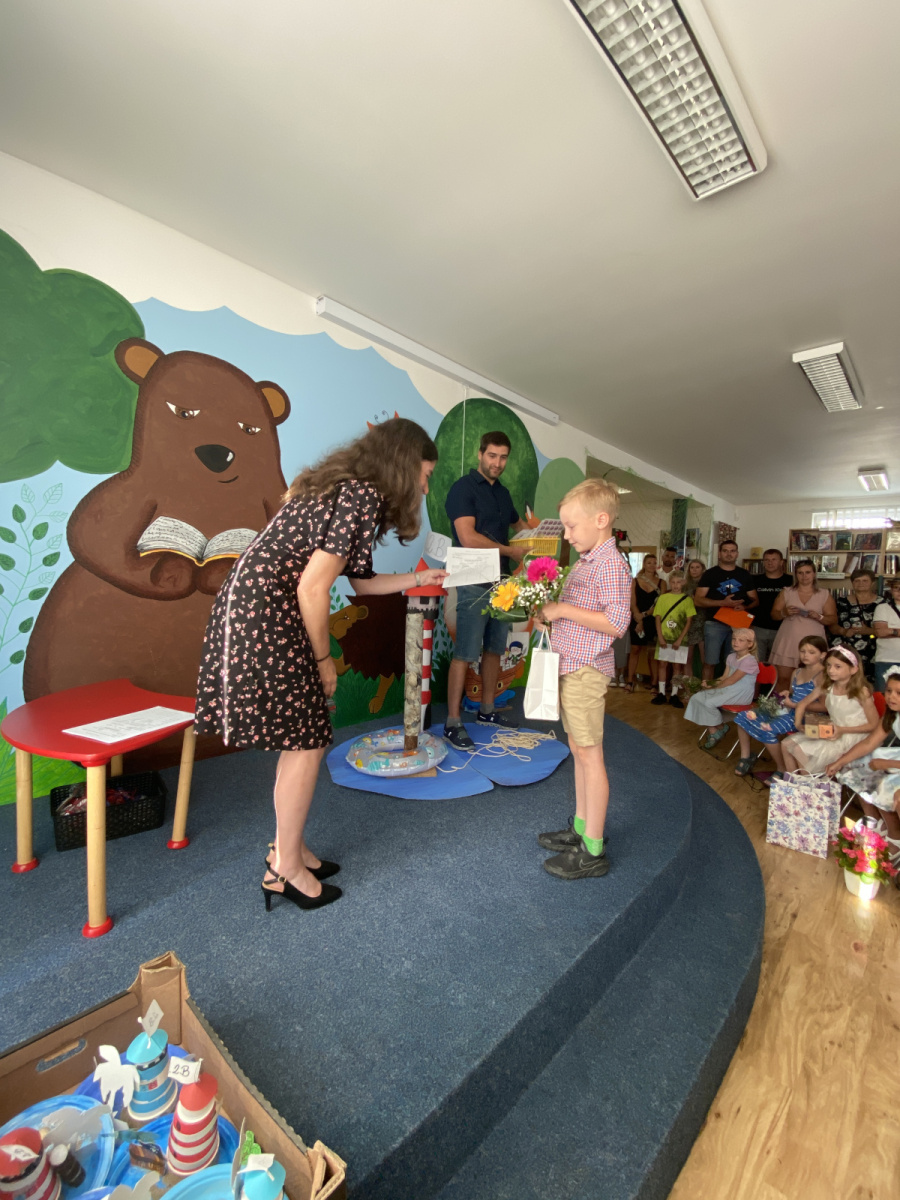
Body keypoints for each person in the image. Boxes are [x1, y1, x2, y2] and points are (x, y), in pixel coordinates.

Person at [194, 418, 447, 913]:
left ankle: (287, 848)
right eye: (425, 474)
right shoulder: (361, 496)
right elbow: (312, 587)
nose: (424, 487)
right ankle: (284, 870)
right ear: (404, 463)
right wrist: (323, 659)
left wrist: (418, 580)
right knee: (307, 741)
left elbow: (361, 583)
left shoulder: (344, 488)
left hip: (254, 605)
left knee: (301, 739)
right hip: (269, 612)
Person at [534, 479, 631, 880]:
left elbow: (616, 623)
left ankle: (593, 849)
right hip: (571, 665)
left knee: (590, 756)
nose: (567, 535)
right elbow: (581, 610)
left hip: (586, 670)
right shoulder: (587, 560)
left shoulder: (610, 564)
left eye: (572, 526)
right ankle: (580, 827)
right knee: (578, 749)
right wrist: (550, 614)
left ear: (601, 520)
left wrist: (561, 611)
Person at [442, 431, 529, 749]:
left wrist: (539, 532)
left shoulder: (503, 494)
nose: (498, 462)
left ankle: (487, 710)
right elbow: (468, 537)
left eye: (503, 457)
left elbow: (521, 527)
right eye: (492, 455)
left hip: (502, 582)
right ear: (480, 454)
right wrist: (510, 551)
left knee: (495, 650)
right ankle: (453, 723)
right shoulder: (462, 489)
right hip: (472, 578)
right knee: (465, 653)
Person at [732, 634, 827, 778]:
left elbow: (824, 707)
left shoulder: (822, 676)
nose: (805, 655)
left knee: (767, 729)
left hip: (806, 717)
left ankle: (781, 768)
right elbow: (793, 693)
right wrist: (787, 694)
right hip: (789, 710)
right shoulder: (797, 671)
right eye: (802, 651)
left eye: (811, 652)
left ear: (823, 655)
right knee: (743, 716)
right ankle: (746, 757)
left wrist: (795, 704)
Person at [781, 646, 879, 775]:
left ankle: (807, 783)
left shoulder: (861, 692)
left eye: (838, 667)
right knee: (786, 744)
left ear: (853, 669)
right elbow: (803, 703)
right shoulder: (827, 686)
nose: (831, 670)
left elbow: (873, 725)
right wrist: (798, 724)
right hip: (832, 731)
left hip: (853, 735)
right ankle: (793, 782)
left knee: (800, 749)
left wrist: (842, 730)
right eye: (828, 665)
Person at [831, 667, 900, 844]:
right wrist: (840, 761)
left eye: (898, 693)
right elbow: (869, 742)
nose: (891, 697)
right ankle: (875, 821)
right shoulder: (892, 715)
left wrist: (886, 763)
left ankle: (895, 835)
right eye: (889, 691)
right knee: (856, 764)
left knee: (884, 782)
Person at [684, 627, 759, 750]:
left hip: (740, 693)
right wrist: (711, 683)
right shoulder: (731, 657)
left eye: (741, 640)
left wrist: (713, 686)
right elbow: (724, 677)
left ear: (750, 644)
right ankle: (717, 729)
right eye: (734, 639)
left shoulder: (749, 661)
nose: (735, 642)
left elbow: (731, 680)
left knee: (708, 702)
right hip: (728, 688)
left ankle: (717, 729)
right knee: (697, 697)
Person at [693, 541, 758, 681]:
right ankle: (706, 691)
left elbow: (755, 600)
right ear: (719, 553)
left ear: (737, 554)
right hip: (714, 623)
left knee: (735, 663)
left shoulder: (744, 574)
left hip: (738, 624)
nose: (729, 554)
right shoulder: (710, 574)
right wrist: (723, 603)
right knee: (710, 662)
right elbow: (697, 600)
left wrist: (745, 607)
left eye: (732, 551)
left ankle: (729, 692)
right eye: (725, 551)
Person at [769, 560, 837, 693]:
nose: (804, 576)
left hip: (813, 644)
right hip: (788, 641)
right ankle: (779, 704)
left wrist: (819, 617)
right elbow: (774, 614)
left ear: (814, 574)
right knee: (782, 678)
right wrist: (784, 613)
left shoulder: (824, 594)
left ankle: (807, 705)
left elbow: (833, 619)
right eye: (800, 573)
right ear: (796, 575)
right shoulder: (787, 592)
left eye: (807, 572)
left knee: (812, 680)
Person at [828, 568, 882, 682]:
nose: (861, 583)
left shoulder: (882, 603)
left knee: (868, 685)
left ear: (872, 583)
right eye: (857, 581)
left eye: (865, 580)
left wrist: (868, 631)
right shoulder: (841, 602)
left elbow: (887, 630)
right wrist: (844, 631)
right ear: (852, 583)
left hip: (872, 651)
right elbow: (831, 625)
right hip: (845, 650)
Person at [651, 570, 695, 708]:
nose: (676, 585)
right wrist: (660, 637)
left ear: (683, 583)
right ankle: (661, 693)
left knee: (677, 666)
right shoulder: (663, 598)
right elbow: (658, 618)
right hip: (665, 637)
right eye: (673, 582)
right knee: (662, 664)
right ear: (670, 583)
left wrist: (680, 639)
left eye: (679, 582)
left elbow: (689, 621)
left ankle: (675, 694)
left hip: (679, 638)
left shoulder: (687, 600)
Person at [624, 553, 662, 692]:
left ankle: (654, 683)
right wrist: (638, 618)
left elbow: (660, 604)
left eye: (654, 563)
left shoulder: (661, 583)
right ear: (644, 564)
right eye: (649, 563)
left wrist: (644, 615)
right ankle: (630, 681)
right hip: (636, 617)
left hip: (653, 619)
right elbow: (632, 602)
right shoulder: (635, 581)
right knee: (635, 649)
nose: (651, 565)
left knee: (652, 652)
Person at [752, 549, 794, 664]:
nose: (770, 563)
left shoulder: (791, 581)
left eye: (774, 559)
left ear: (781, 562)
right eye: (767, 560)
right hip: (758, 628)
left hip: (782, 629)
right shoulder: (754, 580)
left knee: (778, 664)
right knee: (755, 665)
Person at [872, 577, 900, 694]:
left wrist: (891, 630)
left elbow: (885, 631)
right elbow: (880, 632)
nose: (899, 592)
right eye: (896, 588)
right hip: (886, 659)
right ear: (891, 590)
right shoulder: (882, 608)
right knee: (883, 696)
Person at [681, 558, 707, 680]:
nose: (694, 570)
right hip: (689, 622)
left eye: (697, 567)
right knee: (687, 658)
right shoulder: (684, 585)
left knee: (705, 658)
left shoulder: (707, 584)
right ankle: (688, 685)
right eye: (692, 567)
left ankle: (704, 683)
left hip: (704, 621)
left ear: (702, 569)